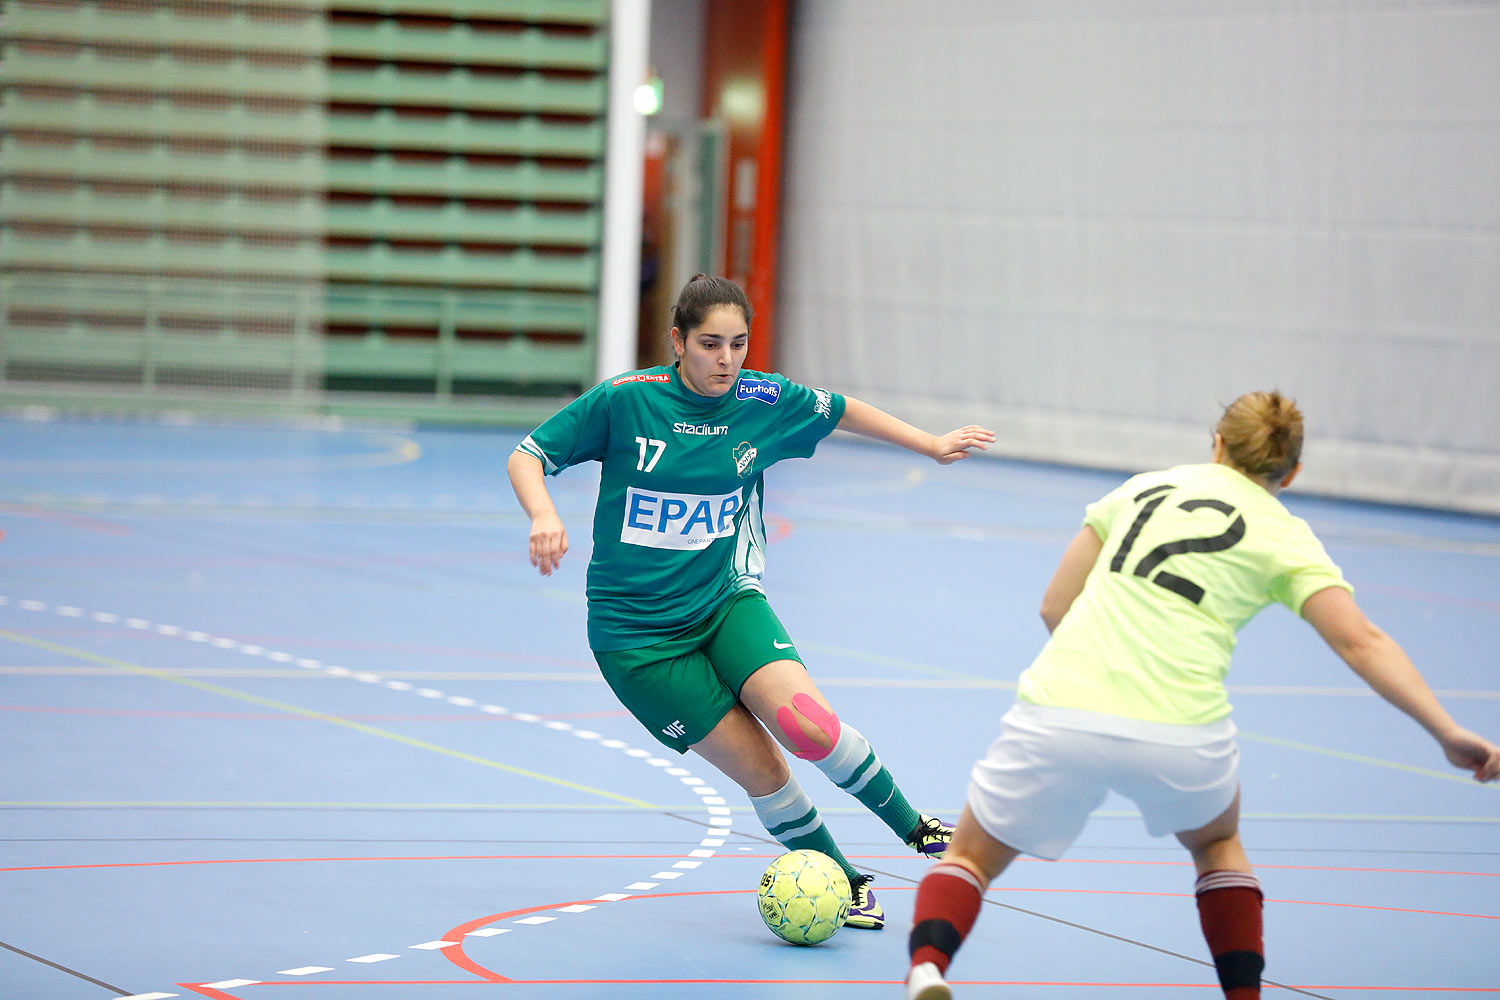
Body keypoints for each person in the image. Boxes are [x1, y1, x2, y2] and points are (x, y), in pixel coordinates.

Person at [903, 390, 1500, 998]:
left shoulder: (1139, 490)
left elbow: (1054, 605)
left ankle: (926, 967)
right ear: (1290, 473)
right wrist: (1447, 731)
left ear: (1216, 443)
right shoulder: (1284, 534)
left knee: (972, 856)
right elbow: (1362, 643)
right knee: (1217, 843)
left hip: (1062, 706)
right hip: (1182, 727)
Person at [509, 274, 997, 930]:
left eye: (738, 344)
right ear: (677, 341)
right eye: (710, 344)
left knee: (807, 726)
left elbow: (840, 408)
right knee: (764, 766)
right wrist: (542, 513)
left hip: (724, 601)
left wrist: (931, 442)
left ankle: (917, 828)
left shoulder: (762, 399)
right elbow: (529, 454)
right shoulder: (626, 403)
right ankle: (845, 881)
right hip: (639, 642)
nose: (727, 360)